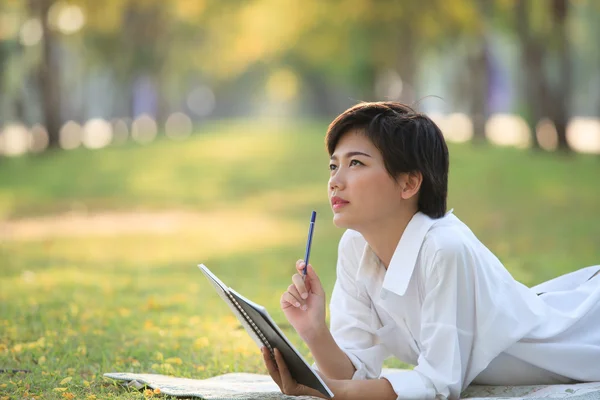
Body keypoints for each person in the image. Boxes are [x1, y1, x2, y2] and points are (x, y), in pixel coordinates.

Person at [261, 101, 600, 400]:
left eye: (357, 164)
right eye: (334, 165)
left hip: (583, 336)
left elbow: (439, 386)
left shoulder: (445, 249)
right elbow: (354, 373)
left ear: (409, 183)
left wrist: (331, 391)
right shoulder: (355, 246)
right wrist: (313, 331)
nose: (335, 180)